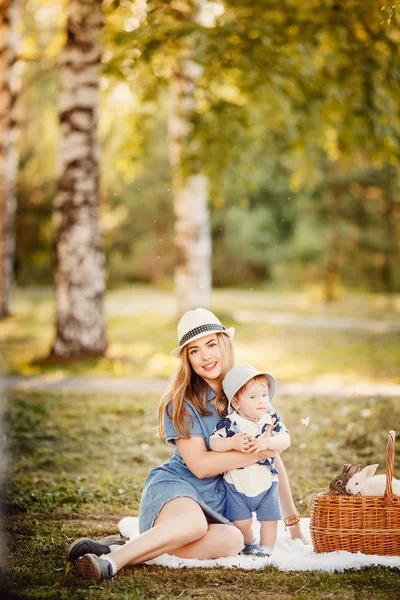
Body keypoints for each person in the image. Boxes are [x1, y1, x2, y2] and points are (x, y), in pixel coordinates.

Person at [66, 308, 306, 581]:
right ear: (186, 359)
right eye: (194, 351)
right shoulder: (180, 402)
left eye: (211, 344)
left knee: (233, 540)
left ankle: (128, 547)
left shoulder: (249, 394)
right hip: (179, 489)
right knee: (192, 523)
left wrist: (294, 524)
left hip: (217, 505)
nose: (205, 356)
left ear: (225, 344)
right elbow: (202, 466)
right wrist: (259, 452)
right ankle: (110, 561)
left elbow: (273, 463)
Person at [210, 364, 291, 557]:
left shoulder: (270, 420)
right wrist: (231, 442)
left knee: (270, 520)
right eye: (253, 397)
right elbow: (214, 443)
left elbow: (286, 439)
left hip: (267, 483)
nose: (262, 401)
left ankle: (266, 548)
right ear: (237, 403)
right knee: (241, 523)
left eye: (264, 395)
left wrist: (267, 443)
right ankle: (249, 542)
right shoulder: (230, 423)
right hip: (237, 484)